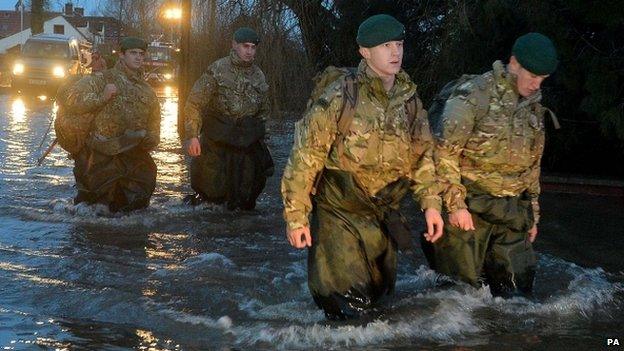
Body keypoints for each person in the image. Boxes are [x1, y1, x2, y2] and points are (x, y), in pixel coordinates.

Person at [281, 14, 444, 320]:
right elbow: (305, 156)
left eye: (399, 44)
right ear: (365, 52)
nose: (396, 52)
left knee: (378, 305)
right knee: (348, 308)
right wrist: (297, 217)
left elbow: (423, 158)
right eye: (386, 45)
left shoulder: (409, 101)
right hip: (339, 213)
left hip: (382, 213)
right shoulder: (341, 96)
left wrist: (431, 205)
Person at [428, 32, 558, 297]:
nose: (536, 85)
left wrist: (533, 214)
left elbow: (532, 168)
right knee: (459, 299)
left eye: (542, 79)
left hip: (512, 211)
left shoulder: (534, 109)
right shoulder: (474, 94)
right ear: (514, 63)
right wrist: (455, 207)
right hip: (469, 209)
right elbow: (443, 153)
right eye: (532, 76)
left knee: (518, 300)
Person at [62, 37, 161, 212]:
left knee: (136, 208)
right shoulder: (102, 80)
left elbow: (154, 121)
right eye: (133, 53)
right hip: (100, 155)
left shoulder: (147, 90)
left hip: (134, 155)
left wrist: (151, 138)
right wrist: (102, 98)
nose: (138, 57)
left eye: (141, 54)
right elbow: (71, 100)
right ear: (122, 55)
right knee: (96, 211)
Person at [184, 27, 273, 210]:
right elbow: (194, 103)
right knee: (213, 193)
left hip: (247, 141)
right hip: (219, 139)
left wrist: (265, 140)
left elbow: (264, 111)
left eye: (253, 47)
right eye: (245, 46)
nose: (249, 51)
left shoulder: (258, 75)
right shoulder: (217, 69)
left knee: (247, 193)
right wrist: (193, 136)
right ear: (234, 45)